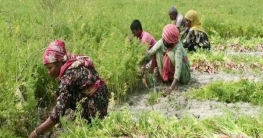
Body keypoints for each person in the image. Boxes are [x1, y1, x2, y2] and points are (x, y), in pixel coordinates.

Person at [29, 40, 109, 138]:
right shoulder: (74, 63)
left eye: (50, 68)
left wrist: (36, 132)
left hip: (95, 101)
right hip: (101, 94)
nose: (49, 72)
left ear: (59, 62)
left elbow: (58, 112)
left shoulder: (68, 76)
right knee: (64, 98)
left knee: (92, 129)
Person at [140, 24, 191, 95]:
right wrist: (143, 66)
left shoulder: (178, 48)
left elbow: (178, 69)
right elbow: (150, 53)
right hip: (172, 72)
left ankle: (172, 82)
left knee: (170, 55)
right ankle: (164, 78)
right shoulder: (163, 42)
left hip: (183, 76)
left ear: (170, 41)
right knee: (157, 51)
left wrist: (171, 88)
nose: (163, 40)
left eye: (165, 40)